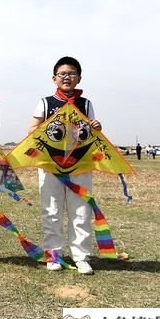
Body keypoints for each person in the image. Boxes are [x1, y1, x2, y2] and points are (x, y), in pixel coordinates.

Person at [28, 56, 101, 275]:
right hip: (50, 165)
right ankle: (53, 254)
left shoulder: (86, 104)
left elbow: (92, 133)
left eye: (71, 74)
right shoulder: (45, 103)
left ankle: (81, 257)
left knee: (81, 211)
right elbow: (32, 130)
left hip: (80, 165)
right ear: (54, 79)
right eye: (62, 74)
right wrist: (51, 125)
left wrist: (96, 126)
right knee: (51, 210)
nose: (66, 77)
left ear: (79, 78)